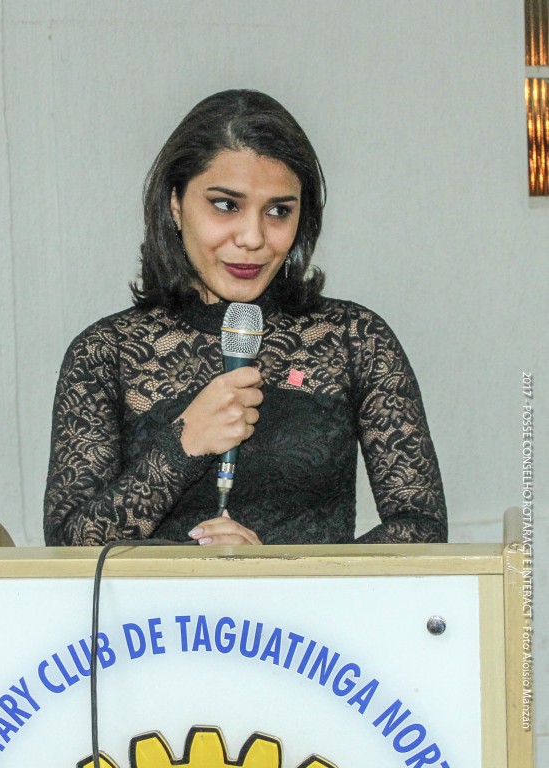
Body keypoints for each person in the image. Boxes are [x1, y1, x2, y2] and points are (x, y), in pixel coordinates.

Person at [43, 89, 447, 547]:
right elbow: (67, 548)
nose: (253, 237)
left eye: (278, 211)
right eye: (226, 205)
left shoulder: (355, 338)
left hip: (309, 598)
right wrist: (184, 444)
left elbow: (422, 529)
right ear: (175, 204)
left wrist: (277, 572)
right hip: (157, 601)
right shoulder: (107, 352)